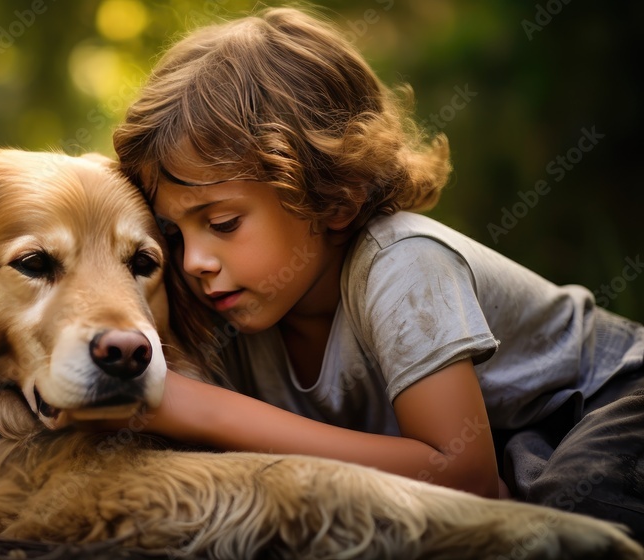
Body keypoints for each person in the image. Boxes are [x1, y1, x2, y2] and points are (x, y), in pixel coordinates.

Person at [106, 6, 644, 539]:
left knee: (576, 523)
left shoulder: (401, 262)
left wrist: (201, 410)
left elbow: (460, 475)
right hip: (517, 445)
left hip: (609, 401)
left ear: (334, 199)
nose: (192, 260)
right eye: (172, 234)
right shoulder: (225, 305)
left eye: (222, 222)